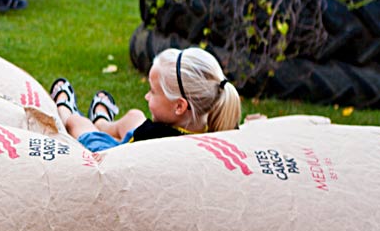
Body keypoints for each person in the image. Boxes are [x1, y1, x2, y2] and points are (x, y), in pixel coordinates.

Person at [50, 46, 242, 152]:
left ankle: (65, 109)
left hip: (113, 154)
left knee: (77, 123)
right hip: (136, 141)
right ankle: (102, 122)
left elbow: (113, 158)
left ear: (179, 106)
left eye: (152, 91)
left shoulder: (150, 137)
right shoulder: (217, 125)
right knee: (135, 115)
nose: (146, 95)